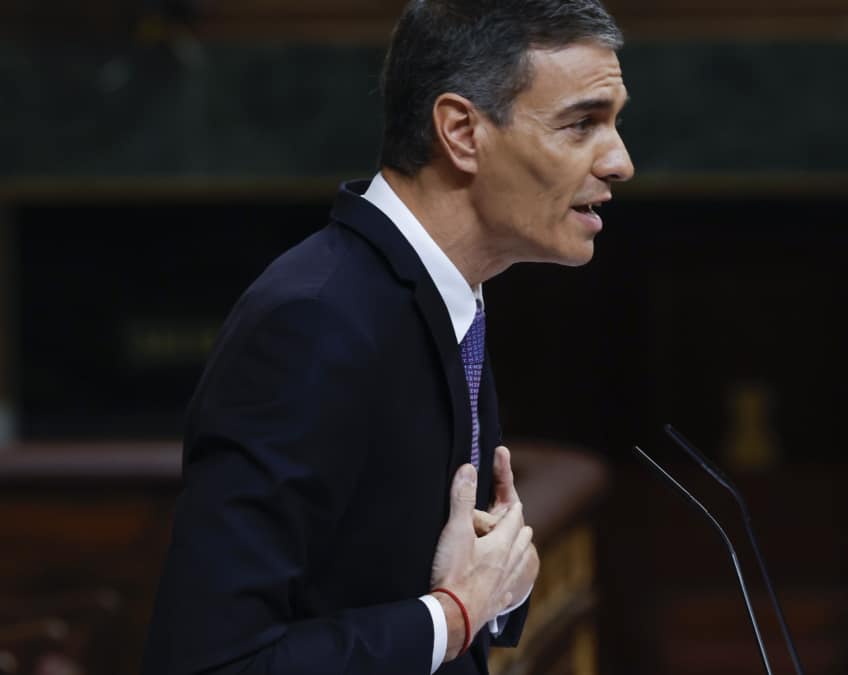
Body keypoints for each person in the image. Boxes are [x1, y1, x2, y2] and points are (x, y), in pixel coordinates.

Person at [141, 1, 634, 673]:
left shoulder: (449, 294)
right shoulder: (314, 322)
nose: (620, 162)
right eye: (582, 123)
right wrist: (453, 616)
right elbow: (210, 661)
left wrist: (495, 593)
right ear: (461, 131)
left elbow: (407, 578)